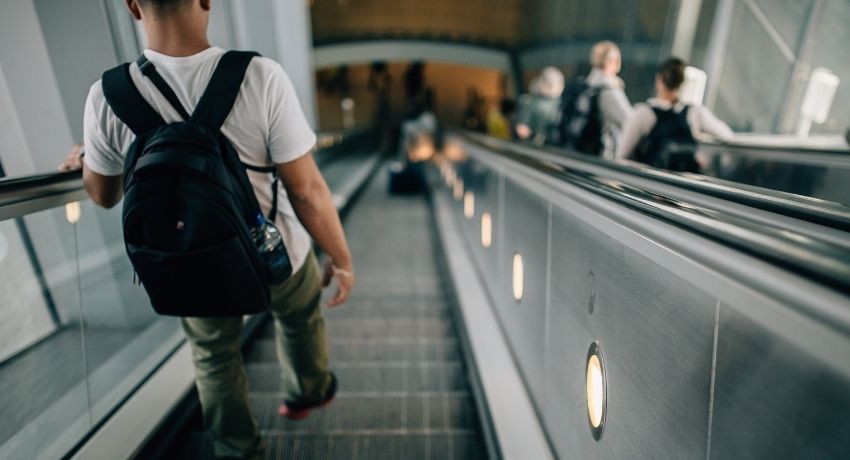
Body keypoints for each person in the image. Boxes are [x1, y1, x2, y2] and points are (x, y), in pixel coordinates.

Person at [58, 1, 355, 458]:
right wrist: (341, 256)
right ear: (206, 1)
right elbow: (308, 191)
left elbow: (103, 195)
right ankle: (307, 391)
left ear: (134, 7)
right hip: (275, 253)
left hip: (193, 261)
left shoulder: (108, 95)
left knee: (214, 357)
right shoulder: (259, 76)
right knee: (300, 316)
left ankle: (238, 451)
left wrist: (87, 156)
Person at [615, 57, 734, 172]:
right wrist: (700, 136)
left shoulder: (643, 113)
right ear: (682, 83)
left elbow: (621, 155)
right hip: (685, 185)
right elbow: (727, 134)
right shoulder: (695, 112)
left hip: (653, 185)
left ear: (659, 80)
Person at [557, 41, 634, 156]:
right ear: (612, 61)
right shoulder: (608, 90)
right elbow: (631, 122)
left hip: (576, 151)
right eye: (617, 58)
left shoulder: (584, 85)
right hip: (600, 156)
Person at [515, 66, 564, 145]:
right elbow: (522, 130)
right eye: (550, 84)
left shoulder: (562, 104)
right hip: (536, 145)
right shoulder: (530, 102)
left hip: (556, 146)